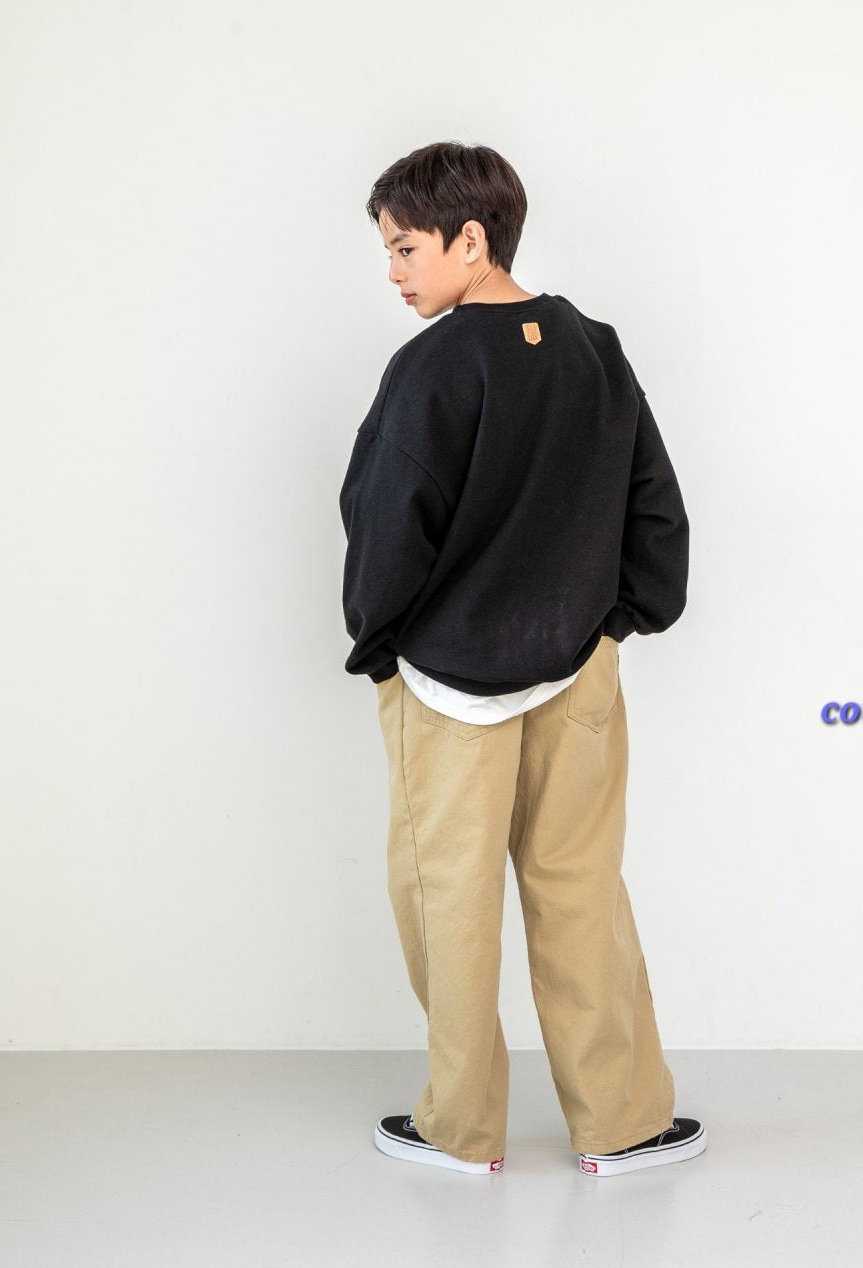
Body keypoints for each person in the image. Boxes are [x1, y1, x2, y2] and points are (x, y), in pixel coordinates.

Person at [339, 140, 705, 1178]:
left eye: (405, 247)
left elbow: (386, 521)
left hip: (446, 685)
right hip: (578, 669)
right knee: (581, 890)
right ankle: (621, 1125)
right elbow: (654, 506)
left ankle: (461, 1131)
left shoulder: (432, 367)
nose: (394, 272)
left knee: (448, 901)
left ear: (471, 239)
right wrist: (619, 622)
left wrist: (378, 643)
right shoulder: (593, 347)